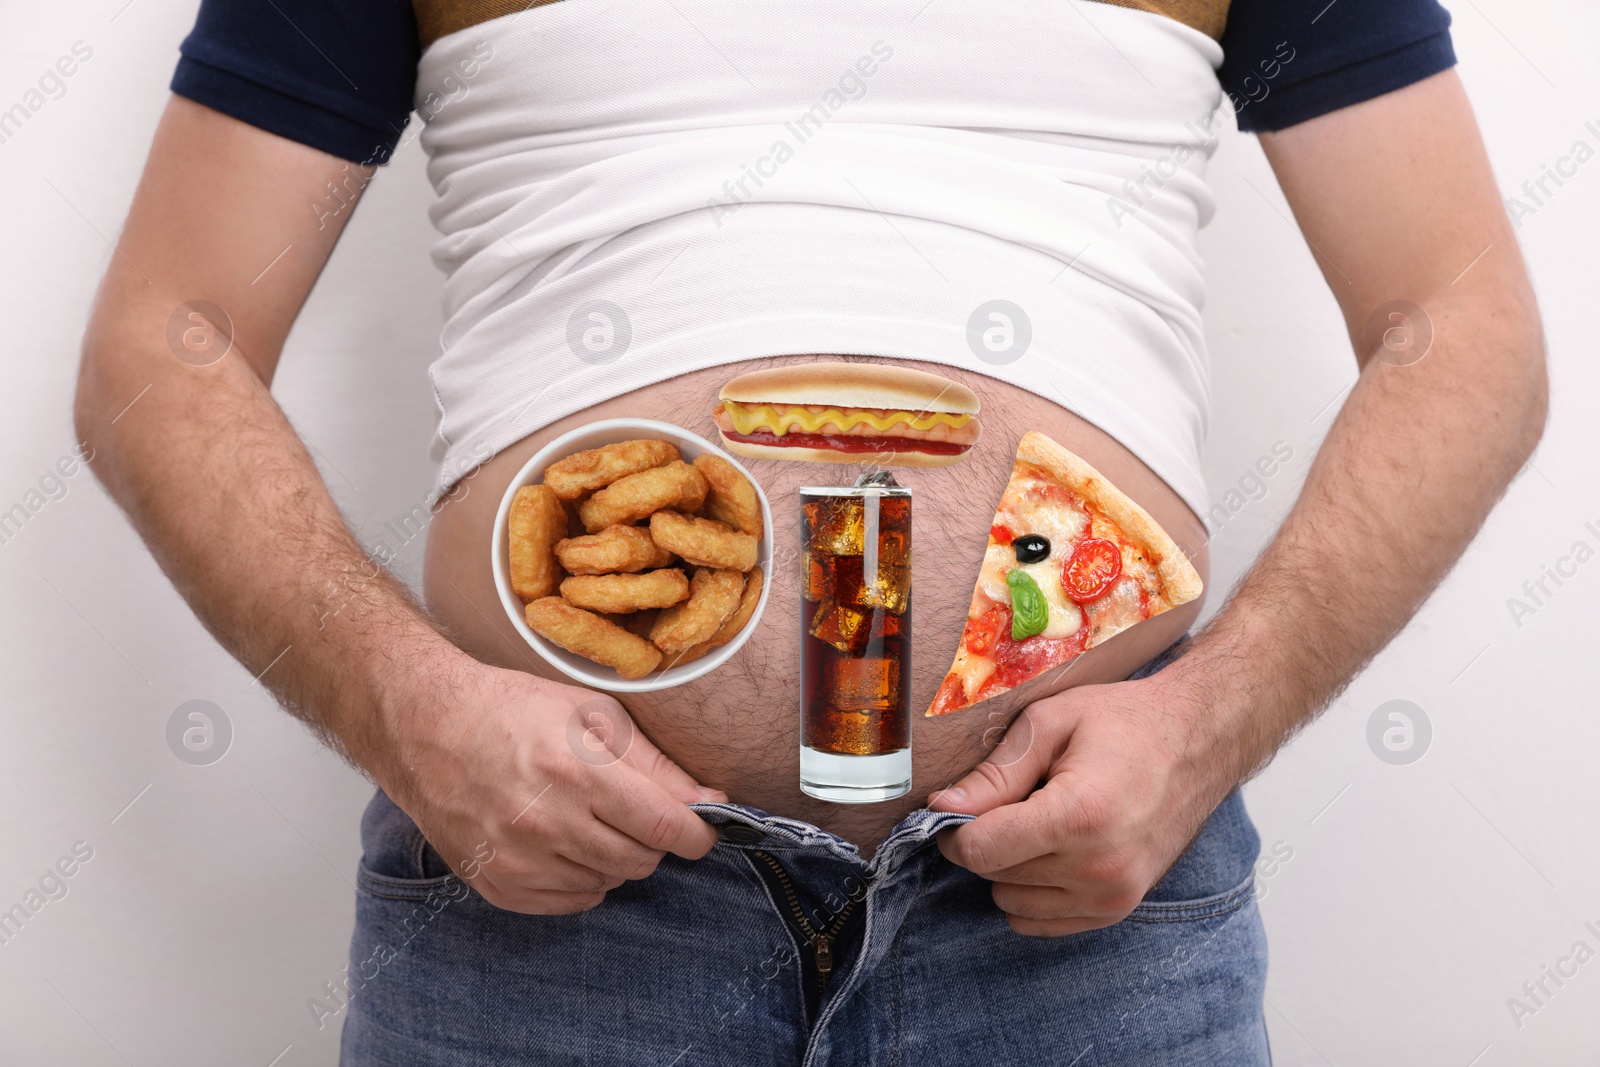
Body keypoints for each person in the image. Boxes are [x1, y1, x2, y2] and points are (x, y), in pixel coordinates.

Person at [74, 0, 1546, 1061]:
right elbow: (166, 339)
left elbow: (1463, 329)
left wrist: (1214, 721)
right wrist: (410, 711)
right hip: (557, 915)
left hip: (1080, 912)